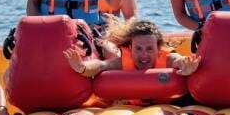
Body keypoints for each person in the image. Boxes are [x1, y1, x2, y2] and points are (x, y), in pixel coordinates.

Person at [63, 18, 200, 78]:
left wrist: (187, 67)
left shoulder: (167, 58)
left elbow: (180, 60)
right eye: (138, 49)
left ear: (158, 49)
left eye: (149, 49)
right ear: (130, 48)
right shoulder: (123, 61)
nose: (144, 55)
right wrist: (82, 67)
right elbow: (101, 65)